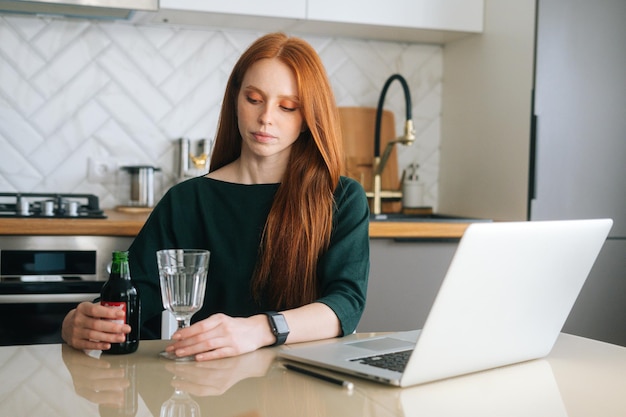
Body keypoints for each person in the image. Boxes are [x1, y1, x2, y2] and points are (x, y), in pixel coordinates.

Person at [62, 32, 370, 361]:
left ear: (308, 118)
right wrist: (78, 324)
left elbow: (346, 304)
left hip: (305, 386)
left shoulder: (341, 198)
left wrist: (257, 330)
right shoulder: (187, 200)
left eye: (287, 107)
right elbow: (138, 295)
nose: (267, 116)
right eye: (254, 99)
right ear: (235, 100)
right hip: (209, 384)